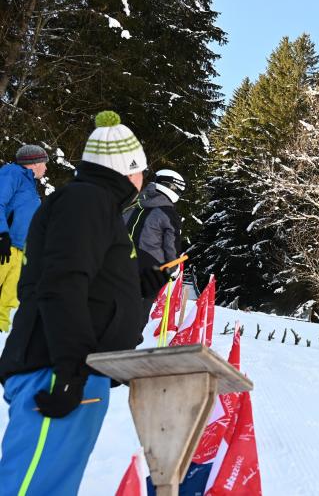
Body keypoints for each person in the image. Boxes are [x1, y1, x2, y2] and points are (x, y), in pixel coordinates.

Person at [0, 111, 169, 495]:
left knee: (51, 485)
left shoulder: (98, 208)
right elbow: (61, 284)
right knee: (31, 487)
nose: (143, 180)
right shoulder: (86, 200)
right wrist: (70, 371)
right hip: (56, 368)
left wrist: (141, 286)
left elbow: (91, 285)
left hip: (74, 368)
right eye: (142, 170)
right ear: (128, 170)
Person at [124, 169, 185, 318]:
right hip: (147, 271)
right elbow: (171, 244)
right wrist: (173, 268)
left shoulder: (132, 206)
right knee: (135, 320)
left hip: (115, 264)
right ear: (171, 187)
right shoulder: (168, 213)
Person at [0, 145, 48, 332]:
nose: (45, 168)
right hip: (5, 244)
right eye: (44, 163)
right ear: (34, 163)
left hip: (20, 249)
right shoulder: (12, 173)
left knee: (9, 298)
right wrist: (2, 234)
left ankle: (1, 336)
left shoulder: (30, 185)